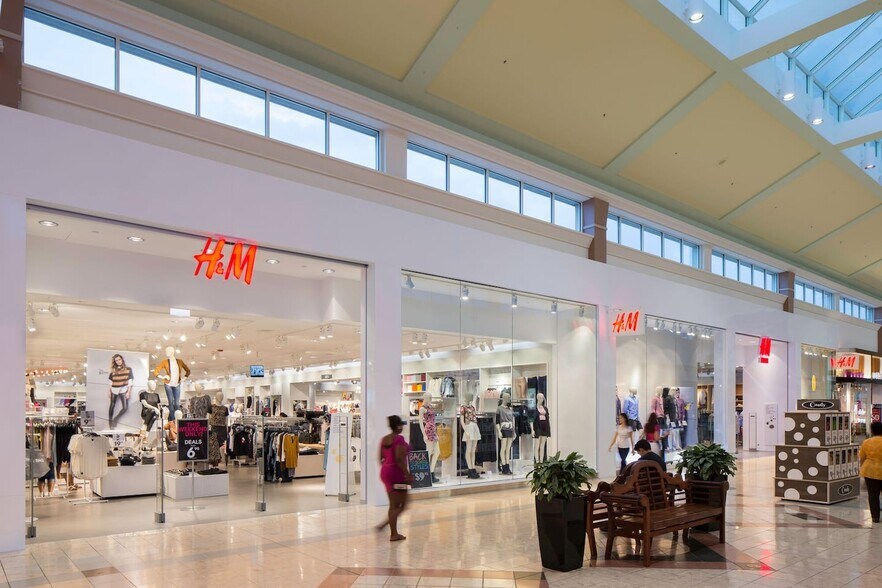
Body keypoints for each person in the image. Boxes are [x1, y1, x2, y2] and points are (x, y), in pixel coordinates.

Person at [377, 415, 412, 541]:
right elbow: (399, 459)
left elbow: (380, 458)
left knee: (393, 504)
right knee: (402, 505)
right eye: (401, 425)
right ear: (398, 426)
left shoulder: (384, 439)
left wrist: (387, 469)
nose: (402, 427)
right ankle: (391, 531)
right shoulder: (399, 439)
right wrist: (407, 474)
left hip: (385, 472)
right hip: (397, 474)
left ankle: (389, 529)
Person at [859, 421, 882, 523]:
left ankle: (875, 517)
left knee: (873, 495)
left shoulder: (867, 442)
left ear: (872, 431)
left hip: (870, 471)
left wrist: (862, 466)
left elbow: (862, 457)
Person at [108, 353, 133, 428]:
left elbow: (130, 381)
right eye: (116, 360)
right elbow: (110, 382)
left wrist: (129, 392)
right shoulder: (113, 371)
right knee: (112, 406)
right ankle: (110, 423)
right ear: (115, 362)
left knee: (125, 408)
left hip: (123, 389)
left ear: (122, 359)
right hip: (114, 389)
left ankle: (115, 420)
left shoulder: (128, 369)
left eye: (119, 359)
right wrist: (109, 392)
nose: (118, 361)